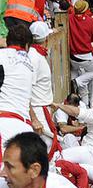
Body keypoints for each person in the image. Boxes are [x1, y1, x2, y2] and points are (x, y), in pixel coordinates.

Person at [28, 21, 63, 161]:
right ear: (46, 39)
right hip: (38, 109)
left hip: (42, 106)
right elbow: (27, 89)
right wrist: (34, 118)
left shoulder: (34, 54)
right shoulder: (35, 57)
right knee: (47, 146)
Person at [0, 24, 35, 158]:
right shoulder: (29, 63)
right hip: (24, 127)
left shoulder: (2, 56)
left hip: (4, 124)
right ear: (26, 46)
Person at [69, 0, 93, 106]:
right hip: (85, 56)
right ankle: (76, 82)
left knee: (82, 85)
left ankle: (83, 108)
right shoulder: (90, 21)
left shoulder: (69, 18)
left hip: (72, 56)